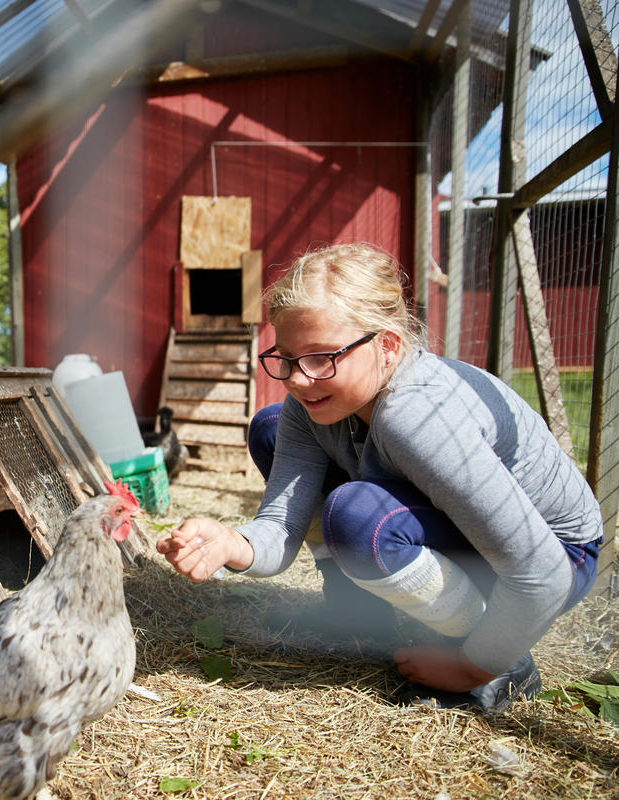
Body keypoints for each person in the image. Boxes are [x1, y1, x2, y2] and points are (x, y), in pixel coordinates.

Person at [156, 242, 603, 712]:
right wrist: (231, 542)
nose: (297, 379)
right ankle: (361, 611)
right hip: (496, 545)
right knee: (269, 428)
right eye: (286, 358)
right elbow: (282, 530)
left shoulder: (417, 416)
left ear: (387, 345)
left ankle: (503, 660)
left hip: (556, 558)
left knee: (358, 517)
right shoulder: (306, 404)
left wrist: (474, 665)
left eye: (321, 357)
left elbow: (542, 571)